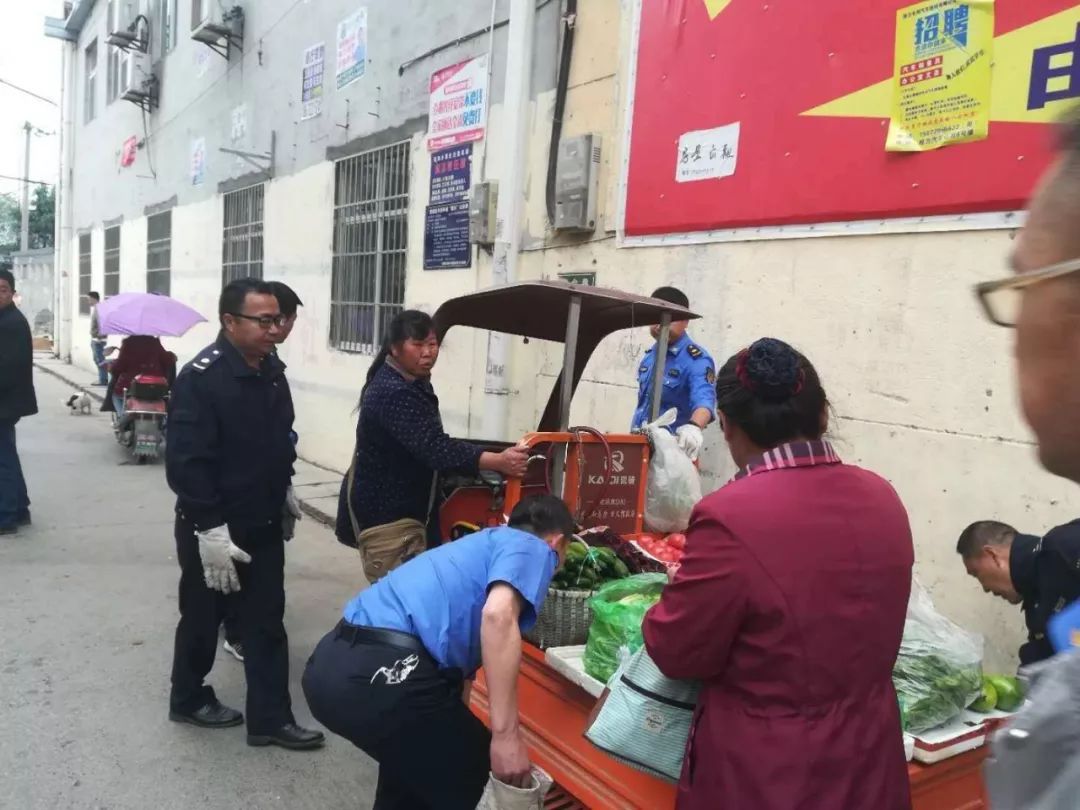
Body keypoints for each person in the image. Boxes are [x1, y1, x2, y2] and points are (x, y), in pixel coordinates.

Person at [642, 337, 914, 810]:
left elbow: (678, 650)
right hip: (873, 757)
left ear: (726, 426)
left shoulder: (730, 515)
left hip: (772, 773)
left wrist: (665, 603)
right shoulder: (883, 497)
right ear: (823, 415)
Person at [304, 494, 575, 809]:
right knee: (486, 785)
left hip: (332, 666)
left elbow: (457, 676)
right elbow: (497, 617)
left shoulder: (478, 546)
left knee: (411, 785)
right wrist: (506, 736)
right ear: (557, 542)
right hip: (386, 674)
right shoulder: (535, 548)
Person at [165, 277, 321, 750]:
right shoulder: (202, 378)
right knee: (202, 616)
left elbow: (279, 438)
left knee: (267, 619)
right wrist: (209, 528)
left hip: (262, 521)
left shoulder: (270, 370)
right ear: (230, 321)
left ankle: (270, 719)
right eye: (264, 320)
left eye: (278, 319)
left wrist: (284, 485)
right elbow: (187, 463)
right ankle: (188, 697)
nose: (275, 329)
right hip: (214, 526)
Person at [337, 309, 530, 579]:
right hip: (388, 517)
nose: (428, 352)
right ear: (394, 348)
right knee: (404, 597)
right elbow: (434, 447)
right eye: (418, 344)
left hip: (406, 511)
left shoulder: (411, 382)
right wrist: (497, 461)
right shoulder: (393, 391)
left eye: (432, 344)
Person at [957, 519, 1080, 665]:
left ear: (992, 555)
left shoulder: (1064, 546)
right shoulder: (1036, 607)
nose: (985, 588)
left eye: (976, 573)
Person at [630, 286, 715, 461]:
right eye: (655, 317)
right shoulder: (649, 357)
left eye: (670, 318)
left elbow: (704, 401)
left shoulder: (696, 360)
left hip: (672, 457)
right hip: (639, 450)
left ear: (686, 321)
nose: (660, 324)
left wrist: (694, 427)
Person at [0, 268, 37, 535]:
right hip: (7, 402)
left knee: (3, 460)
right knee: (7, 455)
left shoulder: (11, 323)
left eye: (3, 290)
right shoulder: (6, 318)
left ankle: (5, 517)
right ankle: (20, 509)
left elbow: (8, 369)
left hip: (5, 402)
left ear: (13, 293)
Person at [101, 334, 177, 419]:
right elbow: (168, 360)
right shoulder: (155, 342)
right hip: (155, 387)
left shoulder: (128, 343)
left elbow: (119, 367)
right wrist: (171, 355)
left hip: (131, 386)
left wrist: (111, 367)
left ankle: (122, 417)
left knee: (115, 395)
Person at [88, 291, 108, 386]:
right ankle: (102, 378)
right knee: (97, 360)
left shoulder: (99, 309)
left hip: (98, 340)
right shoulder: (97, 308)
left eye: (89, 299)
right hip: (96, 339)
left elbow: (102, 324)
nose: (88, 301)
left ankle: (103, 380)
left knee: (100, 360)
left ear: (93, 299)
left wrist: (99, 336)